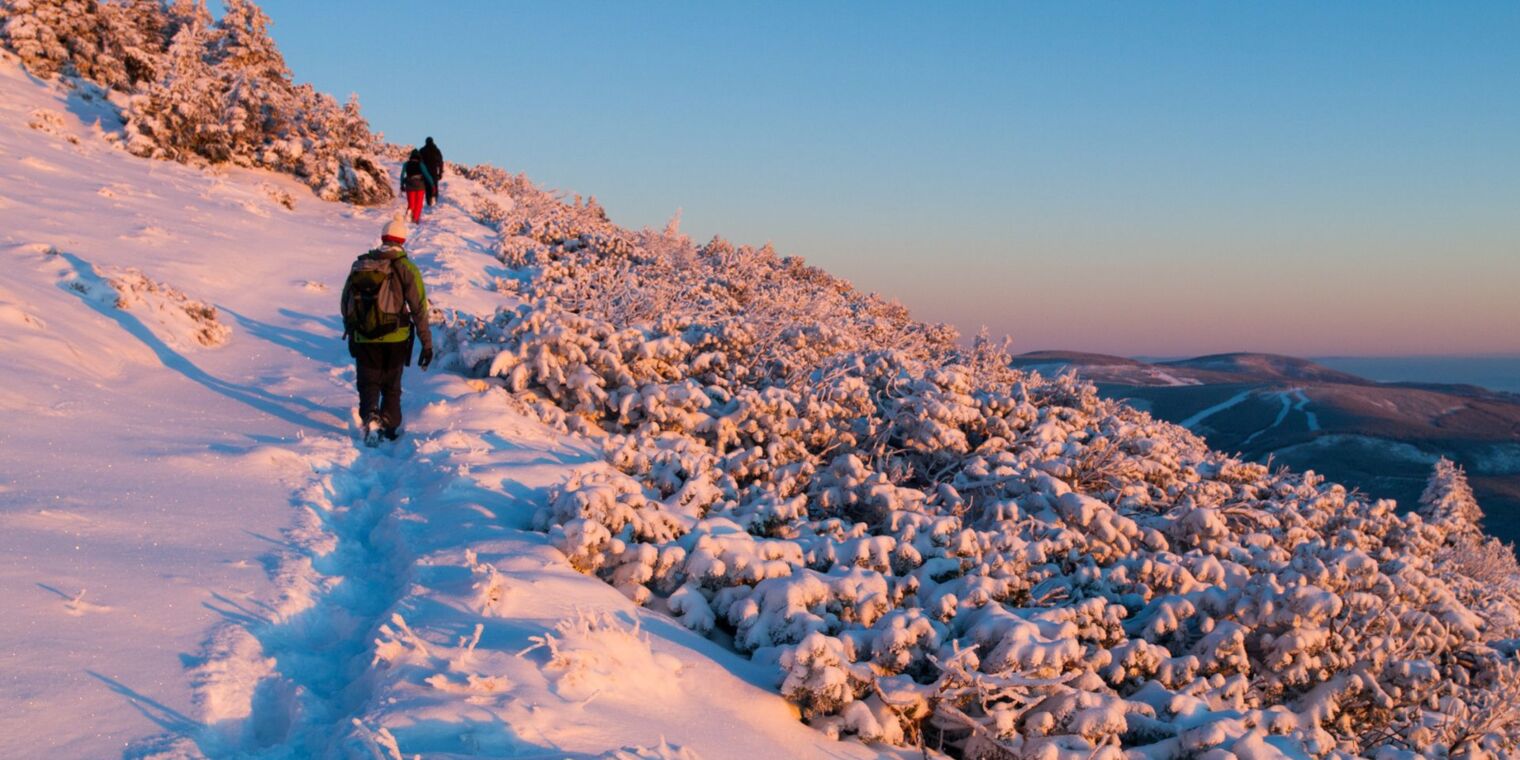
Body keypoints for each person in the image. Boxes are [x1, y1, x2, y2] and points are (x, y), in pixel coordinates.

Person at [340, 217, 433, 446]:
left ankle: (371, 416)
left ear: (382, 238)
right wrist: (426, 343)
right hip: (396, 336)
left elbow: (345, 303)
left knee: (368, 380)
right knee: (391, 384)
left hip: (364, 336)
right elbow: (419, 307)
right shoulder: (405, 267)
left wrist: (352, 332)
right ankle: (389, 426)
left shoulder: (361, 265)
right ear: (402, 240)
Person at [399, 149, 434, 223]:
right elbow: (427, 175)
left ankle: (408, 216)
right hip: (420, 186)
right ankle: (415, 219)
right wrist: (432, 185)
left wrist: (402, 184)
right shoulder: (421, 164)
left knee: (411, 203)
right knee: (419, 204)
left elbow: (402, 175)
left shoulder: (406, 164)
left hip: (409, 185)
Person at [419, 137, 444, 206]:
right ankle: (434, 199)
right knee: (434, 185)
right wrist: (440, 172)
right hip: (434, 171)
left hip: (425, 171)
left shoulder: (422, 150)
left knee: (427, 187)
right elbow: (441, 162)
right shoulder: (437, 150)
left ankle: (428, 202)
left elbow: (419, 162)